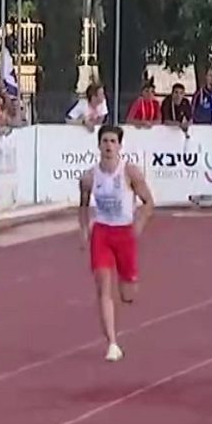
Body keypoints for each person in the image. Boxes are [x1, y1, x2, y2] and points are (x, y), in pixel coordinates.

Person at [78, 124, 154, 362]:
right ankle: (112, 342)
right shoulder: (89, 177)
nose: (109, 146)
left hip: (124, 233)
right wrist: (83, 231)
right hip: (101, 232)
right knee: (102, 286)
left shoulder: (130, 172)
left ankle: (129, 285)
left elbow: (148, 202)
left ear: (120, 146)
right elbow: (82, 206)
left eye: (113, 141)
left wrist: (137, 227)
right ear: (98, 145)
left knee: (127, 293)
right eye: (105, 141)